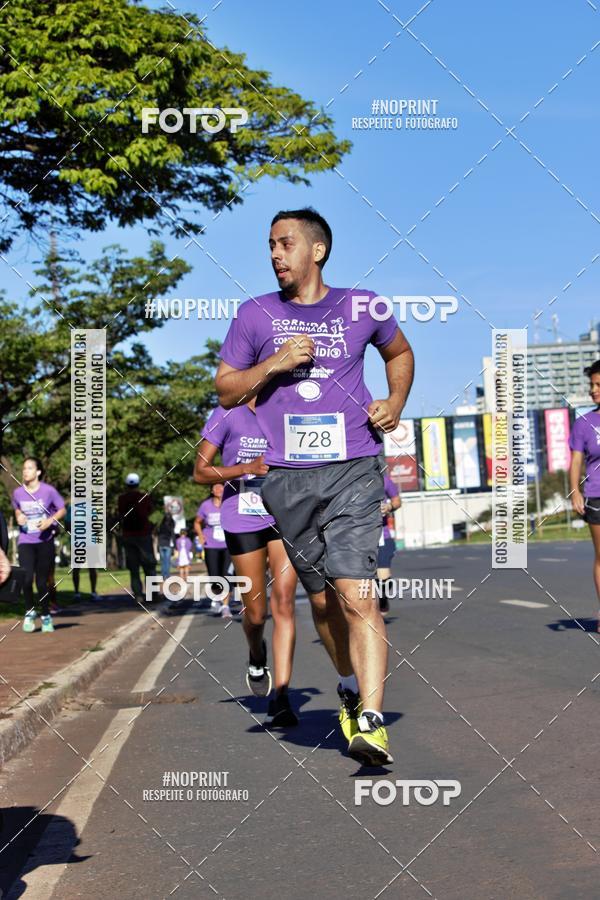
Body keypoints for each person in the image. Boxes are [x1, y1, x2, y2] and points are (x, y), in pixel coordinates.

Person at [215, 207, 414, 765]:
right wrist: (274, 363)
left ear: (317, 250)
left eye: (284, 244)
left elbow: (399, 352)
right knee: (323, 603)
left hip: (354, 465)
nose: (274, 254)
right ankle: (349, 688)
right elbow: (227, 389)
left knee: (357, 593)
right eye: (270, 246)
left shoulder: (362, 305)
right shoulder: (254, 315)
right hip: (287, 478)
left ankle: (371, 722)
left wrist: (394, 401)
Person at [194, 400, 299, 726]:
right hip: (242, 519)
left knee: (284, 601)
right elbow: (200, 471)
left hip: (283, 514)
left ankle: (282, 696)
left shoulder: (287, 405)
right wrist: (245, 468)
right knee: (256, 613)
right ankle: (256, 654)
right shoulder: (227, 413)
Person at [11, 457, 66, 633]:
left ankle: (46, 616)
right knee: (26, 579)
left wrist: (50, 521)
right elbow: (17, 508)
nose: (25, 471)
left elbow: (62, 509)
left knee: (42, 582)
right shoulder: (18, 493)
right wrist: (19, 515)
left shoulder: (48, 491)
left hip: (45, 542)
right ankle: (29, 612)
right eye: (24, 468)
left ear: (38, 472)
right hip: (26, 541)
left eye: (29, 468)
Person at [569, 360, 600, 631]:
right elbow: (576, 461)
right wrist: (575, 491)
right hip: (596, 495)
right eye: (592, 385)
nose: (594, 390)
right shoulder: (584, 424)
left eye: (599, 385)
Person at [117, 473, 157, 603]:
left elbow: (120, 513)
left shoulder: (121, 498)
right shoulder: (144, 497)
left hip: (128, 536)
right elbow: (150, 511)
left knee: (134, 569)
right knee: (149, 567)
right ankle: (152, 595)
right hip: (143, 535)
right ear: (138, 483)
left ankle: (139, 595)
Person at [194, 485, 232, 616]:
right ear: (212, 491)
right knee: (215, 577)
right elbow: (197, 522)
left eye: (221, 488)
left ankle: (226, 606)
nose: (219, 490)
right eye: (216, 488)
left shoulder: (229, 503)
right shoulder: (205, 506)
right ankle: (217, 598)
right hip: (211, 545)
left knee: (226, 575)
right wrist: (200, 535)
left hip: (228, 545)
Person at [377, 472, 402, 615]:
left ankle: (383, 598)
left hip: (382, 535)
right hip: (356, 537)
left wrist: (389, 507)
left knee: (383, 578)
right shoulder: (348, 479)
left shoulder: (384, 480)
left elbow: (397, 500)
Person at [65, 504, 99, 601]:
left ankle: (77, 593)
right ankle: (93, 592)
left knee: (76, 568)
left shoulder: (71, 508)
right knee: (91, 568)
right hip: (89, 542)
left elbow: (67, 526)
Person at [156, 511, 176, 586]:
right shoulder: (171, 525)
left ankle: (163, 575)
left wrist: (158, 546)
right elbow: (173, 536)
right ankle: (167, 576)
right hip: (167, 545)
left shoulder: (161, 525)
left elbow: (158, 536)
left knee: (163, 561)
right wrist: (174, 546)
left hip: (161, 545)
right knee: (167, 561)